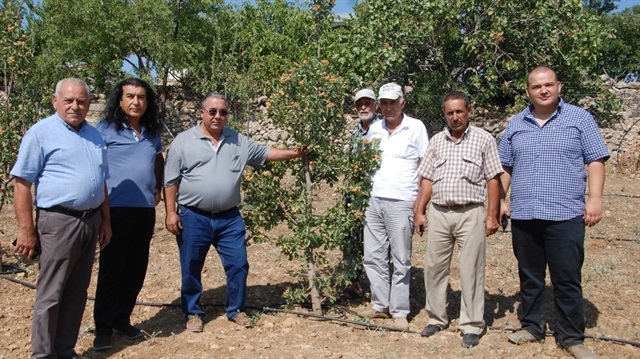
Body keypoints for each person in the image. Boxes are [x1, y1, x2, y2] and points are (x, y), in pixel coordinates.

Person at [164, 93, 307, 332]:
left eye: (223, 112)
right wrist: (171, 212)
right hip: (193, 216)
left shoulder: (238, 141)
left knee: (238, 264)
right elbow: (170, 181)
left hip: (229, 217)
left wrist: (296, 152)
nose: (217, 116)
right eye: (212, 111)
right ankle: (192, 313)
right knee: (191, 265)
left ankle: (236, 309)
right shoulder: (183, 141)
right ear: (201, 113)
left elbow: (266, 153)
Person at [499, 66, 609, 359]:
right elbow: (505, 166)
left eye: (548, 84)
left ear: (559, 86)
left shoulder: (579, 119)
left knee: (566, 277)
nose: (543, 90)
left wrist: (594, 199)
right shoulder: (516, 123)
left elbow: (596, 160)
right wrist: (499, 199)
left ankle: (571, 336)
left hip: (565, 213)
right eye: (536, 87)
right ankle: (532, 326)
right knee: (530, 276)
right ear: (528, 91)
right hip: (524, 213)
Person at [11, 78, 111, 359]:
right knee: (51, 293)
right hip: (58, 222)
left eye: (81, 101)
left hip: (90, 221)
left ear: (89, 104)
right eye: (68, 101)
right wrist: (26, 230)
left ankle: (65, 349)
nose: (75, 106)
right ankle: (43, 354)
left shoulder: (94, 135)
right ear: (55, 101)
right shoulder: (41, 133)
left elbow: (101, 182)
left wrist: (105, 221)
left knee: (78, 291)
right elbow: (21, 184)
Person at [413, 91, 502, 348]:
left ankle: (471, 325)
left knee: (471, 269)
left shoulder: (484, 140)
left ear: (468, 110)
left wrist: (491, 215)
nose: (455, 117)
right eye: (450, 113)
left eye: (459, 111)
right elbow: (427, 179)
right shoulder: (437, 141)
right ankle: (436, 317)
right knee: (434, 267)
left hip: (470, 212)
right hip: (440, 213)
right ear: (445, 114)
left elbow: (493, 180)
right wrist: (420, 210)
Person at [92, 78, 164, 351]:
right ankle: (103, 328)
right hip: (115, 210)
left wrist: (156, 186)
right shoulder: (104, 130)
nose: (136, 102)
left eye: (142, 97)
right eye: (130, 96)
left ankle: (123, 318)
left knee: (136, 267)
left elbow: (158, 159)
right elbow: (95, 168)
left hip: (144, 210)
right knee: (112, 268)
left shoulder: (151, 131)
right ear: (119, 100)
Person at [361, 82, 429, 330]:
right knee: (373, 256)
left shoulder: (416, 128)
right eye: (384, 103)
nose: (389, 107)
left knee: (401, 258)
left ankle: (399, 311)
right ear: (379, 105)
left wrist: (420, 206)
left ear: (402, 103)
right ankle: (381, 306)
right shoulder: (375, 128)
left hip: (402, 201)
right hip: (373, 200)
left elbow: (425, 167)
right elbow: (365, 160)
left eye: (393, 102)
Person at [342, 88, 380, 299]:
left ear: (376, 105)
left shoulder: (381, 130)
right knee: (350, 238)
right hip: (353, 193)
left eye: (367, 103)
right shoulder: (356, 132)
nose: (363, 107)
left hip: (375, 193)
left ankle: (379, 286)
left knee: (375, 240)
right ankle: (353, 282)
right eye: (359, 104)